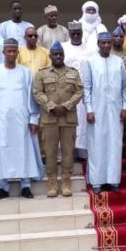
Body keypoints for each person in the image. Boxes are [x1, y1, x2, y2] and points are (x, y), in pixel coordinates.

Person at [0, 38, 44, 200]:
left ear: (17, 52)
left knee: (24, 150)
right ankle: (3, 186)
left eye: (13, 51)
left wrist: (33, 119)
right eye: (8, 51)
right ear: (3, 52)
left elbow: (31, 97)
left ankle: (25, 185)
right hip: (1, 122)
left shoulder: (26, 72)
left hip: (21, 121)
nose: (11, 54)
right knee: (2, 151)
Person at [33, 41, 83, 198]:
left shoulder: (73, 73)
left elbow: (79, 91)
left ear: (64, 55)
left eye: (61, 54)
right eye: (55, 54)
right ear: (50, 56)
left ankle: (66, 182)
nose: (58, 56)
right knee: (50, 152)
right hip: (50, 118)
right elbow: (37, 92)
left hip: (68, 118)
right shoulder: (42, 73)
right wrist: (52, 106)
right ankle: (53, 183)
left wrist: (66, 105)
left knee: (68, 151)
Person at [83, 32, 126, 193]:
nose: (106, 45)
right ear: (98, 44)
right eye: (103, 43)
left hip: (116, 111)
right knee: (97, 144)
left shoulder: (119, 62)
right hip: (96, 110)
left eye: (109, 43)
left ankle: (113, 180)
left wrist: (125, 107)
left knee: (114, 144)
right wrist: (89, 109)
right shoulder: (90, 62)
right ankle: (97, 182)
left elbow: (124, 88)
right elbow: (86, 88)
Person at [62, 21, 92, 161]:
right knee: (68, 121)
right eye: (73, 33)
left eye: (78, 33)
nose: (75, 35)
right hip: (67, 91)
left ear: (81, 33)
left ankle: (82, 152)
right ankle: (68, 153)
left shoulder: (89, 49)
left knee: (83, 122)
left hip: (84, 91)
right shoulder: (63, 47)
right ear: (69, 33)